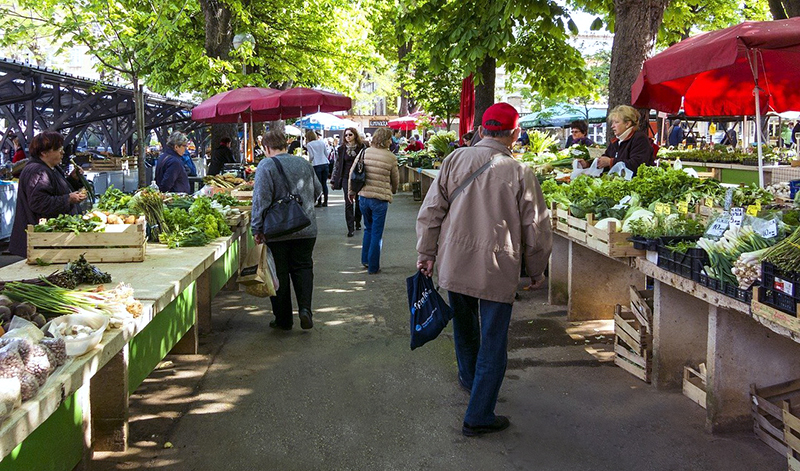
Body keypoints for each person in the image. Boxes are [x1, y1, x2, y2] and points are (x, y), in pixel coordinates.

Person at [415, 103, 553, 437]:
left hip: (455, 261)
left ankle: (468, 378)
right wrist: (536, 271)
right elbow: (535, 227)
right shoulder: (520, 172)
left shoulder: (454, 160)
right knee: (494, 341)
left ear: (480, 130)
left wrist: (426, 253)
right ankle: (478, 414)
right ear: (515, 134)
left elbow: (432, 210)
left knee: (464, 328)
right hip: (496, 267)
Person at [251, 130, 322, 331]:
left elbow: (261, 200)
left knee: (278, 273)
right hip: (306, 227)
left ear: (266, 147)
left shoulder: (266, 165)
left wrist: (256, 227)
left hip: (277, 230)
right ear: (286, 144)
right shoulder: (304, 163)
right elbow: (317, 190)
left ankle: (283, 319)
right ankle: (306, 310)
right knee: (303, 268)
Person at [9, 131, 87, 257]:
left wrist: (73, 180)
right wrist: (68, 199)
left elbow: (55, 189)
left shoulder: (50, 168)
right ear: (44, 153)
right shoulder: (37, 171)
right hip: (40, 242)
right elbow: (39, 203)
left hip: (48, 241)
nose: (62, 152)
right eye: (57, 149)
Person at [347, 127, 399, 274]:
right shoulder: (391, 157)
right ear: (386, 140)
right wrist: (393, 190)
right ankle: (374, 267)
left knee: (368, 229)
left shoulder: (365, 152)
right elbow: (395, 179)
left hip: (363, 197)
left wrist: (351, 192)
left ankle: (365, 260)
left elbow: (353, 171)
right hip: (380, 200)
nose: (391, 141)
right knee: (377, 232)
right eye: (389, 138)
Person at [581, 105, 654, 175]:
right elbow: (605, 158)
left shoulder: (639, 139)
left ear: (627, 124)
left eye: (616, 122)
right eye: (612, 122)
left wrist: (611, 162)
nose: (612, 126)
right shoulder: (616, 141)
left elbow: (637, 164)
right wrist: (587, 164)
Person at [331, 127, 366, 237]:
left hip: (359, 177)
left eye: (350, 135)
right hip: (346, 178)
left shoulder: (362, 147)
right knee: (348, 202)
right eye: (346, 135)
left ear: (355, 135)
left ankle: (357, 221)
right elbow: (337, 165)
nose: (348, 137)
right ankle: (350, 228)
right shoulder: (341, 149)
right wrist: (333, 179)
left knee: (359, 201)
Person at [306, 130, 330, 207]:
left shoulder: (309, 144)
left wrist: (309, 162)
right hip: (325, 163)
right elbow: (326, 153)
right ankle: (326, 201)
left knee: (318, 184)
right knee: (324, 183)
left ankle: (319, 201)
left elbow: (312, 156)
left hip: (316, 164)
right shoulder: (321, 142)